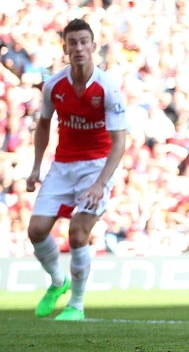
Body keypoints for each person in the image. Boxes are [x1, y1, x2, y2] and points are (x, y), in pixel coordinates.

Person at [27, 18, 128, 321]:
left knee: (79, 232)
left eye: (84, 41)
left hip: (96, 167)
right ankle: (59, 282)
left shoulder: (107, 88)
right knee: (36, 231)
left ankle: (77, 305)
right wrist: (35, 167)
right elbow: (43, 124)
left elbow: (119, 142)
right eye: (73, 42)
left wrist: (100, 183)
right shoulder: (53, 86)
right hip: (62, 166)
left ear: (94, 46)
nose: (79, 47)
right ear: (65, 48)